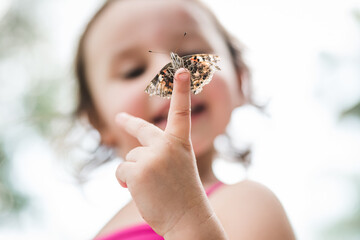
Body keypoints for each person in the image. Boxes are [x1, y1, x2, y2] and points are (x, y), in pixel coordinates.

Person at [74, 0, 296, 239]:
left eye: (190, 55)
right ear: (97, 121)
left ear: (240, 79)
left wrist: (184, 220)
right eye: (133, 71)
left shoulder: (250, 205)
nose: (169, 71)